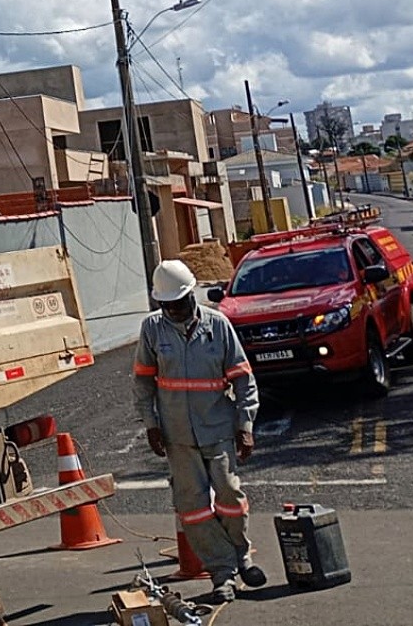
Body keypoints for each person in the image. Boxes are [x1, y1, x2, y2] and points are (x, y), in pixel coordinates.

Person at [133, 259, 264, 605]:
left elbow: (243, 378)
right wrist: (151, 425)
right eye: (167, 305)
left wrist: (245, 425)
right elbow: (143, 383)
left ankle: (241, 556)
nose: (174, 310)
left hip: (217, 429)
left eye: (179, 302)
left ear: (193, 294)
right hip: (177, 436)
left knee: (230, 497)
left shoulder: (217, 325)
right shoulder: (152, 330)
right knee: (192, 509)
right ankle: (222, 573)